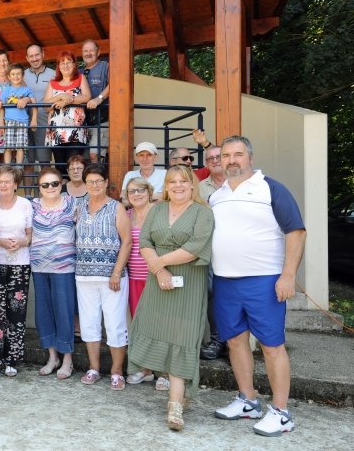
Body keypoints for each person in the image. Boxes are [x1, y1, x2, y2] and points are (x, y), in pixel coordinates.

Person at [211, 136, 306, 437]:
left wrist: (288, 274)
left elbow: (296, 232)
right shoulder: (217, 195)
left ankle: (281, 413)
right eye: (226, 155)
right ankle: (248, 400)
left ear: (250, 157)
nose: (231, 160)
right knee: (236, 342)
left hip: (264, 281)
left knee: (271, 345)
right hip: (225, 281)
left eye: (238, 154)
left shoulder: (270, 188)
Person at [127, 165, 214, 431]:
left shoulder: (203, 213)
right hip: (159, 283)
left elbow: (194, 247)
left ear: (191, 185)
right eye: (172, 181)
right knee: (158, 333)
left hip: (188, 284)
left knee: (182, 338)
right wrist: (160, 270)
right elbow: (144, 242)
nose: (177, 186)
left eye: (183, 181)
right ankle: (173, 390)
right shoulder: (156, 210)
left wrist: (157, 265)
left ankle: (175, 405)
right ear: (166, 185)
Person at [75, 164, 132, 390]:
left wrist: (117, 271)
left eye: (99, 181)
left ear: (106, 182)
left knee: (115, 323)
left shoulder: (116, 207)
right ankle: (94, 368)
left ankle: (117, 371)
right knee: (89, 324)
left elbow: (126, 242)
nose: (95, 185)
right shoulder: (79, 206)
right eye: (90, 182)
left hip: (112, 278)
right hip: (84, 276)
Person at [30, 167, 78, 379]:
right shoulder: (31, 206)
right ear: (39, 187)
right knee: (44, 313)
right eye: (45, 185)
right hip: (39, 267)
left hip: (64, 268)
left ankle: (67, 359)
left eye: (54, 184)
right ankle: (52, 357)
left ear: (62, 184)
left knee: (64, 312)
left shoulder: (73, 204)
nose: (50, 188)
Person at [0, 166, 32, 377]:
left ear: (16, 185)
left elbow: (30, 236)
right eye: (0, 181)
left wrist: (22, 242)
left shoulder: (25, 205)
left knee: (16, 313)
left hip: (20, 264)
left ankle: (12, 359)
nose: (3, 185)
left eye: (8, 181)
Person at [198, 145, 228, 360]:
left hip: (236, 249)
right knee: (211, 292)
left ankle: (236, 342)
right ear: (206, 164)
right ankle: (218, 340)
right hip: (209, 248)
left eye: (219, 156)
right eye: (210, 158)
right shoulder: (199, 188)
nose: (215, 160)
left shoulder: (240, 184)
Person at [44, 51, 91, 174]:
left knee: (75, 166)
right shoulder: (52, 83)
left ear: (74, 64)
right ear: (58, 66)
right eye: (62, 63)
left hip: (75, 131)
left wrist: (68, 100)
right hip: (56, 132)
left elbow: (87, 97)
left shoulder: (81, 78)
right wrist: (62, 96)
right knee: (60, 167)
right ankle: (64, 192)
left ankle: (75, 192)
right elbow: (46, 106)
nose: (65, 65)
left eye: (68, 62)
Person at [124, 178, 154, 318]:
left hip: (155, 275)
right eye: (132, 191)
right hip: (134, 277)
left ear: (149, 192)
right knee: (138, 316)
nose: (137, 194)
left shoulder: (159, 212)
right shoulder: (126, 215)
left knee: (157, 318)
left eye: (141, 190)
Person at [24, 44, 56, 171]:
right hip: (25, 120)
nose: (34, 58)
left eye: (37, 55)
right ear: (27, 58)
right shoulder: (22, 75)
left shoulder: (53, 74)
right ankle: (27, 192)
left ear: (43, 54)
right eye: (31, 56)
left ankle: (46, 190)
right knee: (28, 162)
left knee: (44, 161)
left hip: (44, 121)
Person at [0, 63, 35, 166]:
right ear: (9, 76)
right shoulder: (6, 90)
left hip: (22, 122)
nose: (16, 76)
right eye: (13, 74)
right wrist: (1, 122)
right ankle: (7, 167)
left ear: (22, 76)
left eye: (18, 74)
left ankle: (18, 167)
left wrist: (33, 119)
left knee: (20, 147)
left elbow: (35, 103)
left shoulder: (27, 90)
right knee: (8, 147)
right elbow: (1, 107)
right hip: (9, 121)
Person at [81, 39, 110, 163]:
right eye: (85, 51)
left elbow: (115, 84)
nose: (88, 53)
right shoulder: (79, 71)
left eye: (91, 50)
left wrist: (99, 99)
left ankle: (98, 181)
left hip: (101, 119)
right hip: (83, 122)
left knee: (95, 155)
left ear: (98, 52)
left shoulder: (105, 66)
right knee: (84, 159)